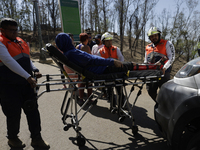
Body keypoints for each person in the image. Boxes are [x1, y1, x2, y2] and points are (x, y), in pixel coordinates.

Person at [0, 18, 50, 149]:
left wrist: (34, 69)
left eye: (16, 30)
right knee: (13, 114)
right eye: (11, 31)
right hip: (8, 86)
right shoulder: (0, 43)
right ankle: (13, 138)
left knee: (32, 110)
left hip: (26, 85)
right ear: (2, 30)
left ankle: (36, 138)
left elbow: (26, 58)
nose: (15, 33)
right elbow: (8, 61)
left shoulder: (20, 41)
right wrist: (28, 76)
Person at [144, 27, 175, 102]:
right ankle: (159, 104)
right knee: (150, 90)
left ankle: (166, 107)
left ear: (159, 35)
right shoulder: (148, 47)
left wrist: (164, 68)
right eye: (151, 36)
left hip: (164, 72)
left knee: (166, 92)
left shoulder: (167, 43)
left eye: (155, 35)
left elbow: (172, 57)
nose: (153, 38)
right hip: (151, 73)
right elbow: (145, 61)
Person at [97, 32, 125, 103]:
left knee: (119, 89)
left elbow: (122, 59)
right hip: (107, 74)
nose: (110, 42)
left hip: (116, 72)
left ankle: (122, 104)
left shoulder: (116, 49)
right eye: (107, 41)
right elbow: (99, 63)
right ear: (103, 41)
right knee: (109, 90)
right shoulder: (100, 51)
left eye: (110, 40)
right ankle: (112, 104)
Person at [76, 33, 93, 105]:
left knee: (81, 84)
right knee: (89, 84)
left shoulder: (77, 46)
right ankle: (89, 99)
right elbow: (90, 57)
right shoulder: (86, 47)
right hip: (86, 68)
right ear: (86, 39)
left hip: (79, 68)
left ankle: (81, 99)